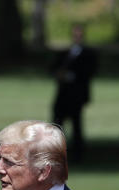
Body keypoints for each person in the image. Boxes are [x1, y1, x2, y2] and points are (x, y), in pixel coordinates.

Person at [50, 23, 97, 162]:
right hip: (63, 95)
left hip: (77, 96)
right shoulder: (65, 52)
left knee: (77, 126)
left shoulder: (88, 54)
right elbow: (53, 68)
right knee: (57, 125)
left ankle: (78, 155)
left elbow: (89, 72)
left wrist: (70, 76)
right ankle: (56, 153)